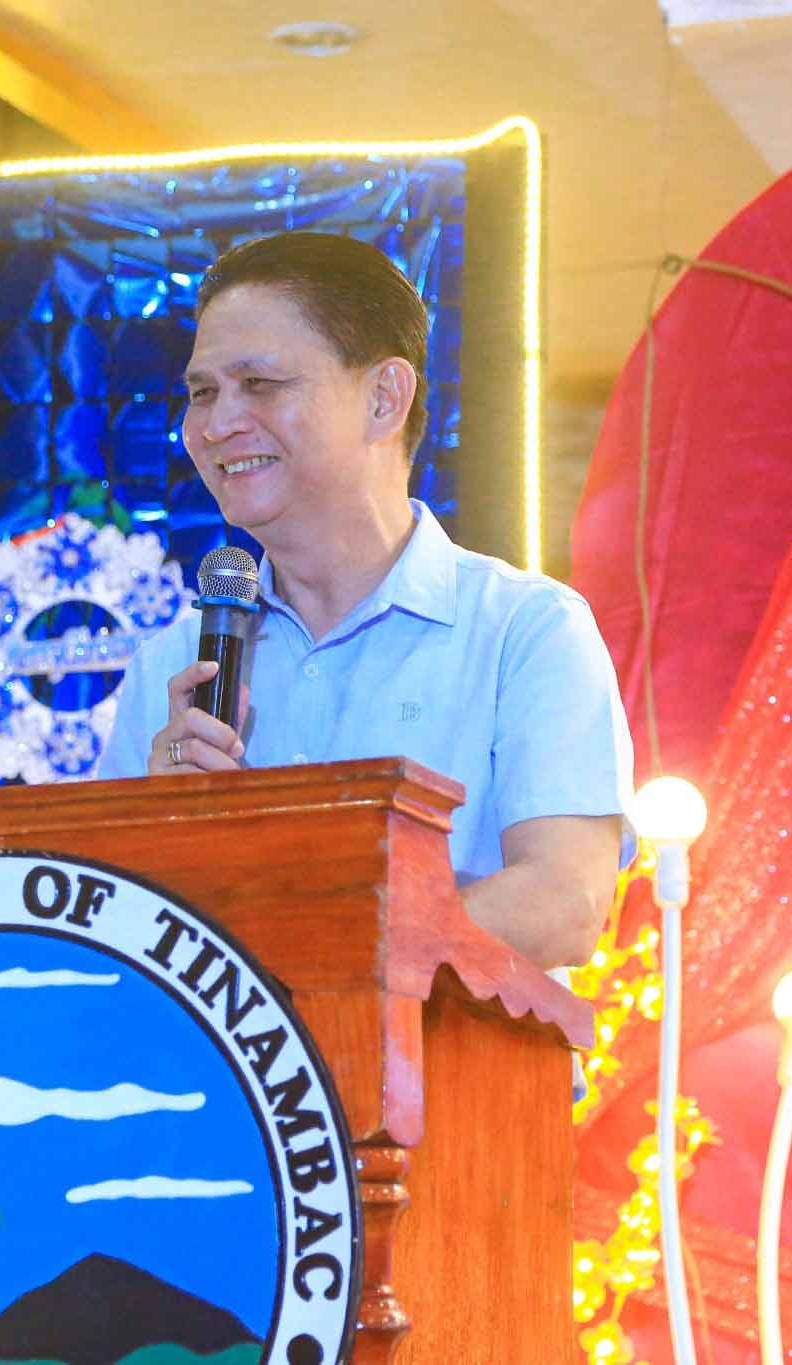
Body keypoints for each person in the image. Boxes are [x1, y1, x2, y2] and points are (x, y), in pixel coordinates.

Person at [92, 232, 632, 969]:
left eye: (260, 383)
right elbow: (113, 942)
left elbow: (564, 904)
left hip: (445, 1048)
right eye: (203, 392)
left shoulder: (525, 631)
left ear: (384, 399)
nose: (216, 426)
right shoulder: (174, 663)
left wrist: (319, 946)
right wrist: (154, 833)